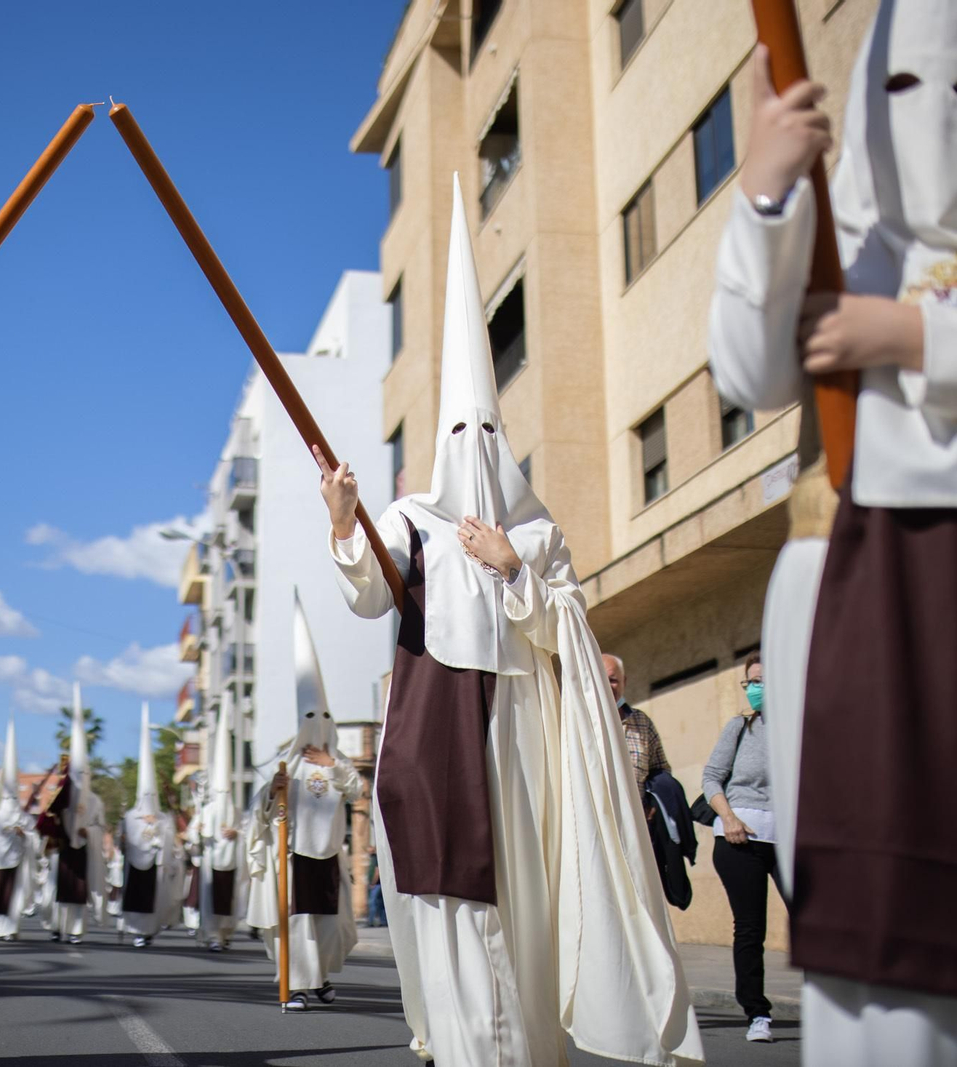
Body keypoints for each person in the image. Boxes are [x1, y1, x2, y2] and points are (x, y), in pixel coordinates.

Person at [323, 176, 701, 1064]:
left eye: (486, 434)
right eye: (460, 435)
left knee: (527, 912)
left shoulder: (537, 529)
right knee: (455, 909)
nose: (475, 451)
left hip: (523, 745)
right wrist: (346, 520)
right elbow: (371, 589)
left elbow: (571, 623)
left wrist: (514, 569)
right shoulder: (412, 518)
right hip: (437, 733)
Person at [708, 5, 957, 1062]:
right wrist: (765, 190)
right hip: (851, 576)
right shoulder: (848, 224)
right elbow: (748, 370)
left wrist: (913, 334)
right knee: (873, 952)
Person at [245, 591, 360, 1010]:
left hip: (327, 856)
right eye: (311, 719)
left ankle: (320, 979)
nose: (319, 726)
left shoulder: (339, 761)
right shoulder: (284, 765)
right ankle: (293, 984)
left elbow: (358, 791)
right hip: (291, 856)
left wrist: (333, 764)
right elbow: (257, 815)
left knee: (327, 924)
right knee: (295, 924)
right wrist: (273, 793)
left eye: (324, 719)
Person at [702, 652, 785, 1044]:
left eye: (763, 680)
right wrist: (730, 819)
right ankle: (757, 1014)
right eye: (750, 681)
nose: (755, 688)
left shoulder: (803, 726)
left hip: (790, 839)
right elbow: (712, 778)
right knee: (751, 929)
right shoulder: (740, 727)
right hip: (740, 841)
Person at [39, 684, 105, 945]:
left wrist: (89, 832)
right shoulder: (60, 796)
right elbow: (47, 819)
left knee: (78, 891)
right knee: (58, 889)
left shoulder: (95, 801)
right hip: (62, 850)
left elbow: (101, 826)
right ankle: (58, 926)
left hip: (83, 851)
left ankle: (76, 930)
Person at [119, 703, 183, 948]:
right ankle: (136, 929)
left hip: (156, 867)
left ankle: (149, 930)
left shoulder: (164, 818)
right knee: (137, 896)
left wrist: (159, 833)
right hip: (137, 866)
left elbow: (171, 840)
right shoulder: (129, 816)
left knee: (155, 897)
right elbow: (124, 842)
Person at [198, 699, 242, 952]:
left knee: (230, 898)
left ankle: (225, 933)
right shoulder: (207, 809)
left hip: (232, 862)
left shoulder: (236, 810)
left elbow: (248, 831)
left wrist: (238, 833)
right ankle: (213, 934)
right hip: (211, 862)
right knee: (212, 899)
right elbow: (196, 833)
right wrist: (201, 829)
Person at [0, 719, 34, 942]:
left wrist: (23, 834)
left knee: (13, 895)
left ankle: (12, 927)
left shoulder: (23, 817)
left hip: (18, 861)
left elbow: (33, 835)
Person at [603, 654, 671, 804]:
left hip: (638, 818)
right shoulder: (576, 723)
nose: (607, 686)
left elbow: (660, 769)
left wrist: (652, 803)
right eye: (601, 679)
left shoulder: (641, 722)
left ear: (624, 682)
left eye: (613, 680)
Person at [365, 845, 386, 928]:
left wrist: (373, 882)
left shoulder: (375, 858)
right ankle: (383, 921)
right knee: (380, 903)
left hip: (376, 884)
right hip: (379, 884)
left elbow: (377, 872)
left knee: (372, 903)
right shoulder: (374, 858)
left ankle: (370, 921)